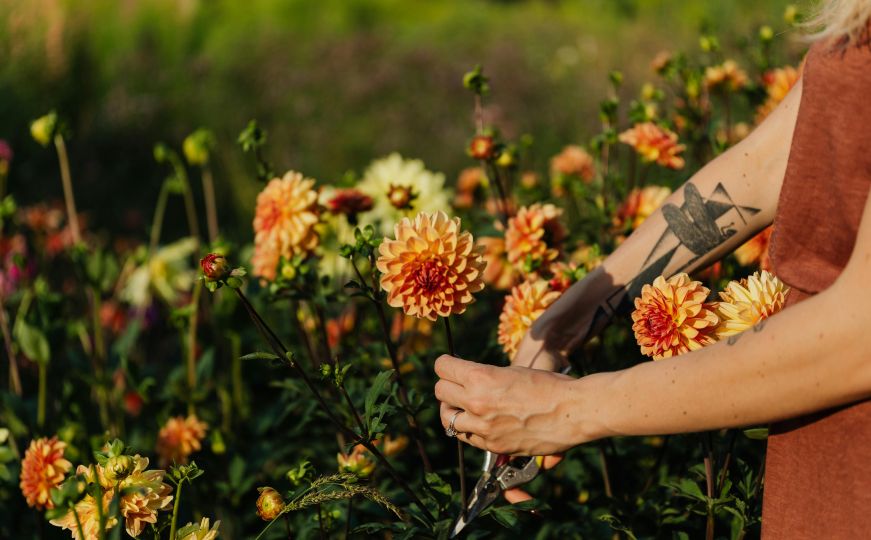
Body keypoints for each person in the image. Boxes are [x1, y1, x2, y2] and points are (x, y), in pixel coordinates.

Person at [433, 2, 871, 538]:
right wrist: (567, 320)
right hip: (819, 465)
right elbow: (778, 157)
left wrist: (567, 409)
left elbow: (861, 335)